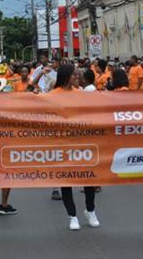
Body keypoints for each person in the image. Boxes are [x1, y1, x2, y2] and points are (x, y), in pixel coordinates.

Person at [49, 64, 99, 230]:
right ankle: (72, 216)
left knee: (88, 178)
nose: (77, 78)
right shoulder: (52, 95)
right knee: (66, 179)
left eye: (77, 75)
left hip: (82, 142)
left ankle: (90, 210)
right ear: (65, 76)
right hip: (61, 143)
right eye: (74, 75)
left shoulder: (81, 94)